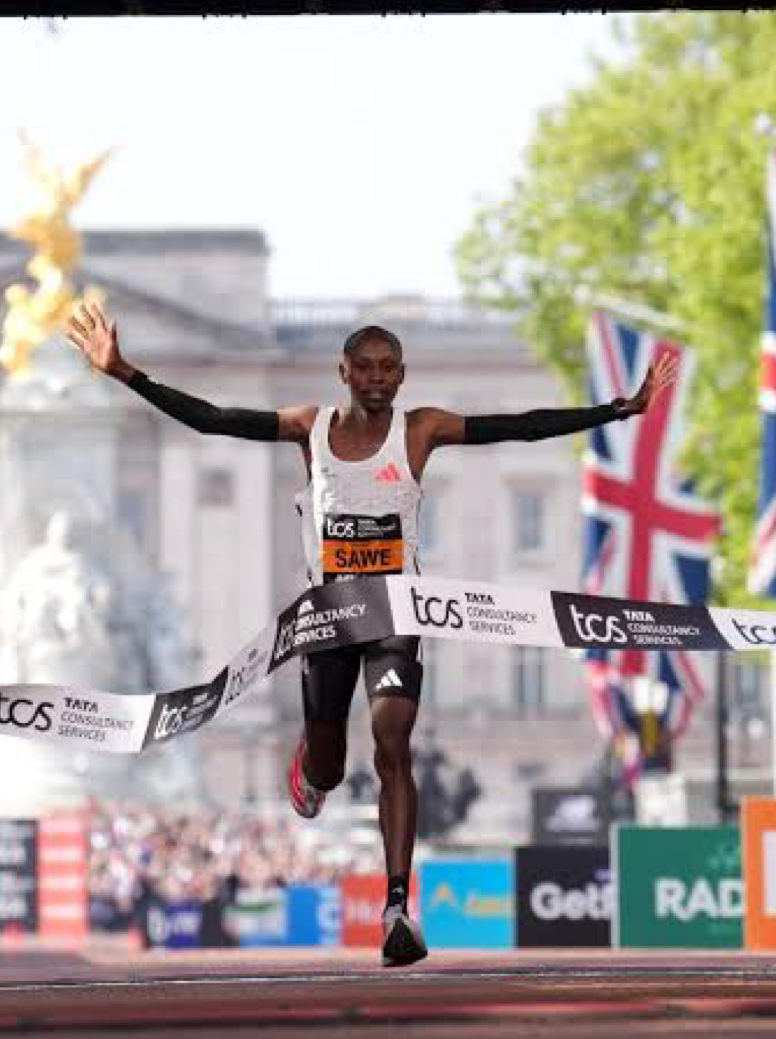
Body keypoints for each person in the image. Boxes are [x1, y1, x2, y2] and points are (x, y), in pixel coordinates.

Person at [64, 302, 675, 967]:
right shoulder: (309, 427)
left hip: (396, 616)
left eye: (389, 368)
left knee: (392, 743)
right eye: (366, 368)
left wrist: (617, 410)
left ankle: (396, 906)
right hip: (329, 617)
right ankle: (312, 764)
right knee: (329, 764)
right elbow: (214, 418)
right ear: (345, 373)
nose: (378, 378)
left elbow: (521, 427)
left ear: (402, 375)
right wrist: (126, 373)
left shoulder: (421, 430)